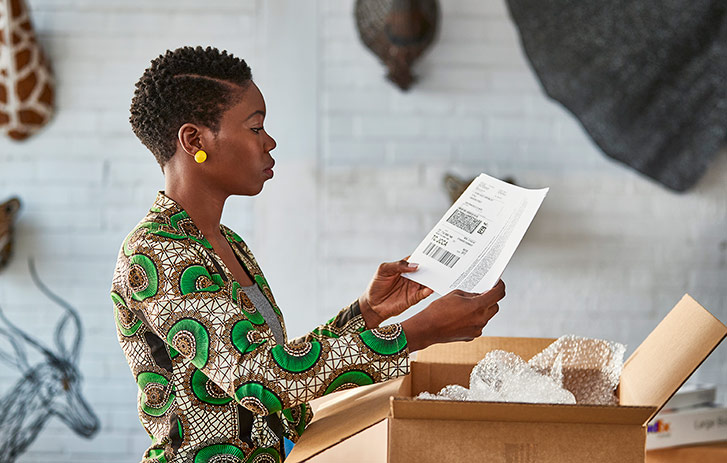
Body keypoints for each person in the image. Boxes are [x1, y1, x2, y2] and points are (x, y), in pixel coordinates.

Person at [111, 46, 506, 463]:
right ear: (195, 140)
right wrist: (417, 333)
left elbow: (275, 363)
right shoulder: (155, 253)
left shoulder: (228, 244)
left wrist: (368, 311)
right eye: (255, 127)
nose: (270, 142)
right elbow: (259, 382)